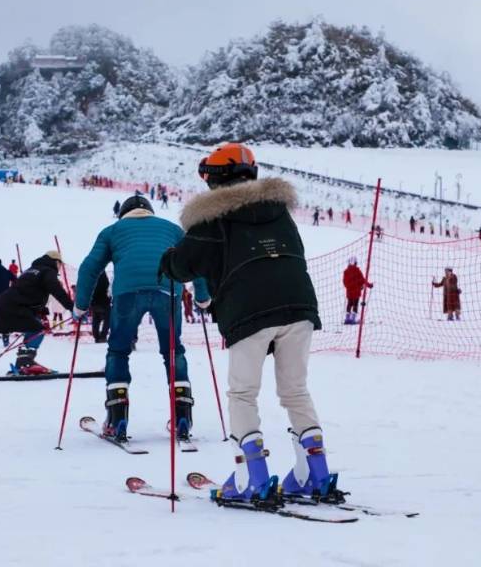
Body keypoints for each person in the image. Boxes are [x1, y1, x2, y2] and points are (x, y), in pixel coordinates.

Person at [160, 143, 332, 503]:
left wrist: (169, 260)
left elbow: (183, 265)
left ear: (214, 178)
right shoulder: (279, 212)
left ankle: (250, 476)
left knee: (242, 393)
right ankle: (314, 473)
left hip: (248, 309)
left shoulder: (212, 217)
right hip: (299, 305)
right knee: (295, 390)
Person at [73, 195, 209, 442]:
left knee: (118, 351)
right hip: (169, 291)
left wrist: (81, 306)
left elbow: (90, 267)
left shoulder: (112, 231)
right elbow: (195, 262)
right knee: (172, 351)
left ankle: (117, 417)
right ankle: (182, 416)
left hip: (128, 292)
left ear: (122, 213)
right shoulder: (172, 229)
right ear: (150, 211)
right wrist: (202, 297)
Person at [0, 251, 75, 375]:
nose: (60, 267)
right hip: (13, 308)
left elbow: (26, 291)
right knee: (38, 329)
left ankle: (24, 360)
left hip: (3, 306)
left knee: (34, 326)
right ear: (55, 262)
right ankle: (25, 361)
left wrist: (40, 309)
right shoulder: (48, 271)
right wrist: (72, 308)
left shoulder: (31, 270)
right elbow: (57, 290)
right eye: (60, 264)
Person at [342, 256, 373, 324]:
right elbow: (362, 280)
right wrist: (369, 285)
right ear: (355, 263)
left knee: (349, 304)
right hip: (356, 292)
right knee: (355, 304)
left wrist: (349, 287)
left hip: (349, 292)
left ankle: (347, 319)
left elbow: (344, 282)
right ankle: (353, 319)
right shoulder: (357, 271)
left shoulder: (346, 272)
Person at [89, 271, 111, 343]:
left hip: (94, 303)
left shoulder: (93, 278)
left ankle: (96, 337)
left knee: (96, 320)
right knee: (107, 320)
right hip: (104, 303)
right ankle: (103, 336)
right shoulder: (104, 278)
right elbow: (108, 289)